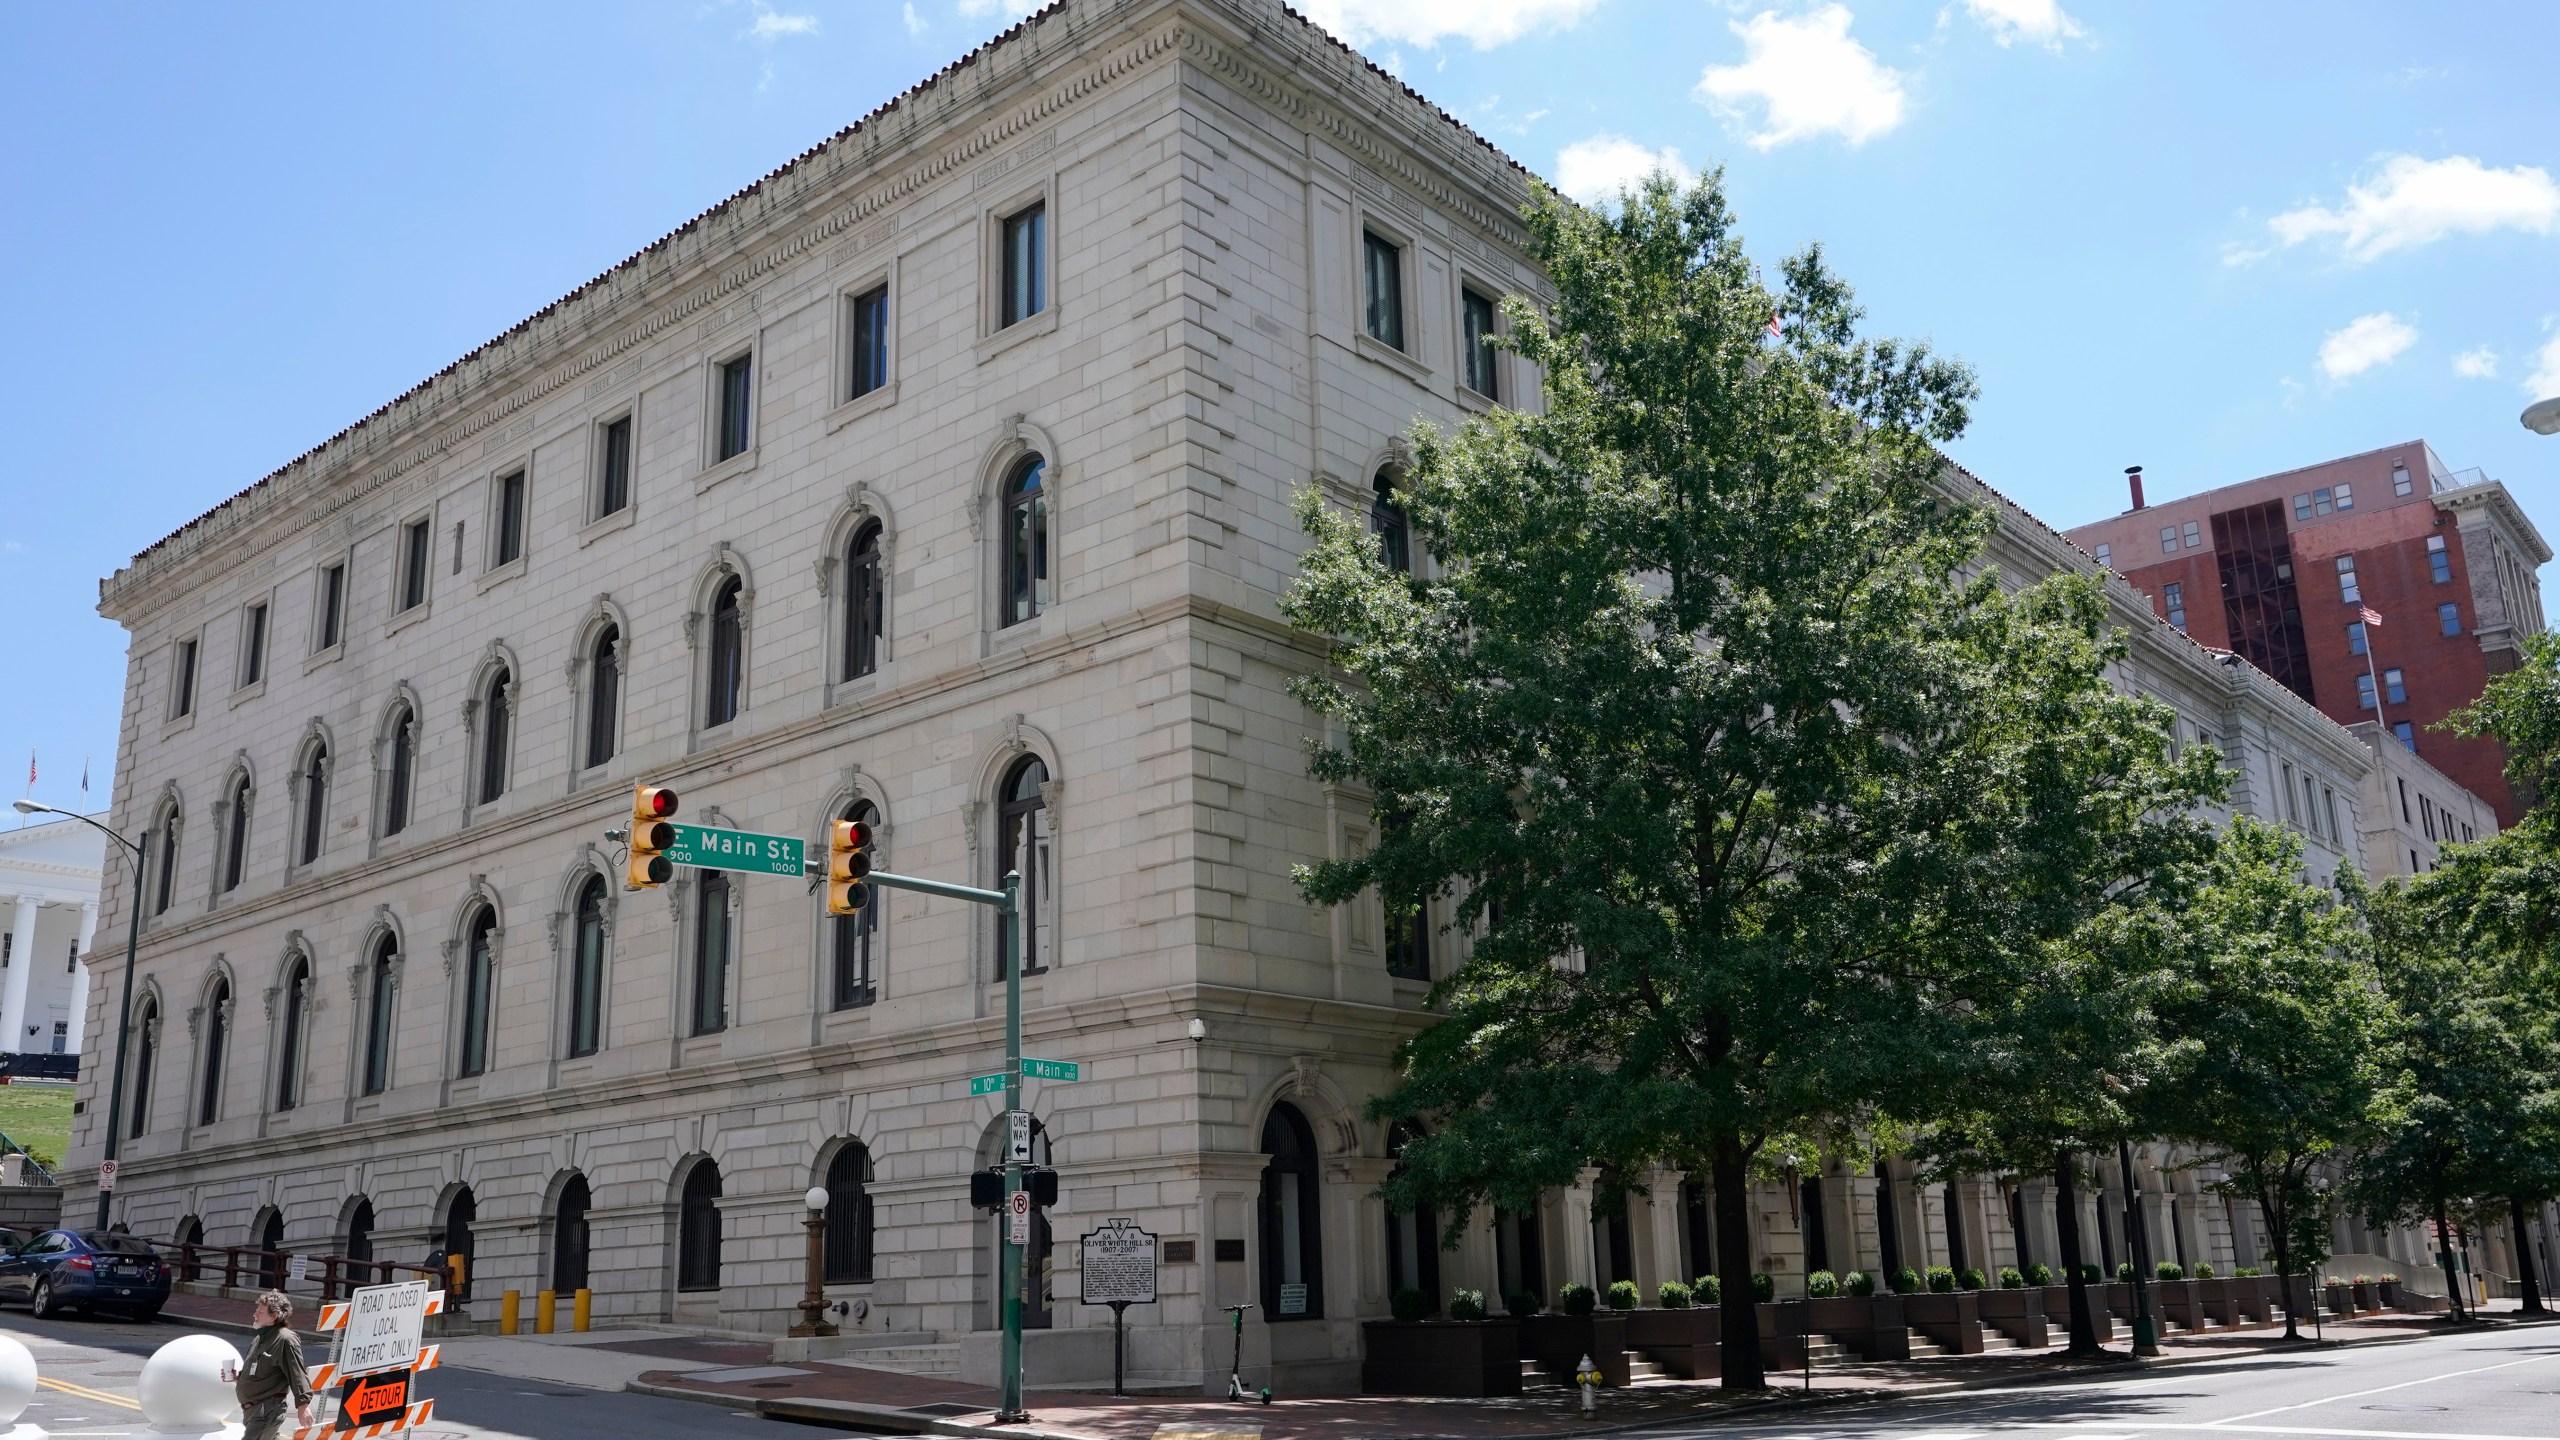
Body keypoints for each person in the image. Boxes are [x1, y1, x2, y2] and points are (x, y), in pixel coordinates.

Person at [235, 1289, 314, 1440]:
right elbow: (256, 1370)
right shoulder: (260, 1338)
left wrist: (303, 1406)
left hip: (266, 1412)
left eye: (260, 1312)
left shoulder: (285, 1339)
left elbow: (297, 1373)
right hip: (252, 1412)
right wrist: (238, 1377)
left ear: (274, 1316)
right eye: (256, 1310)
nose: (255, 1314)